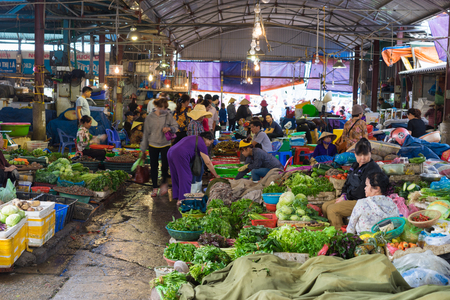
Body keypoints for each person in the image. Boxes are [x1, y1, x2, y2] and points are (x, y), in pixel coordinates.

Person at [322, 138, 382, 228]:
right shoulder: (355, 165)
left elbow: (362, 190)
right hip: (350, 197)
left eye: (365, 154)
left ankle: (340, 237)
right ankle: (337, 228)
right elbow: (347, 182)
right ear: (355, 154)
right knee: (325, 206)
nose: (362, 158)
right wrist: (343, 194)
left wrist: (346, 197)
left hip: (363, 201)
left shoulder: (372, 168)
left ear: (370, 153)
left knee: (332, 209)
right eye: (359, 155)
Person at [140, 98, 179, 197]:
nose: (165, 109)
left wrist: (169, 128)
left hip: (165, 144)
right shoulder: (149, 117)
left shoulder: (168, 115)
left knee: (165, 165)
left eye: (166, 108)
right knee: (153, 166)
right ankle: (154, 187)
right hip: (152, 144)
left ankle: (164, 183)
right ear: (157, 107)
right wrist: (143, 149)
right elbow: (145, 134)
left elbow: (176, 126)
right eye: (163, 107)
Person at [168, 132, 220, 204]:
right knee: (186, 177)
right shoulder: (201, 142)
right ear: (207, 138)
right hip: (180, 154)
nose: (209, 144)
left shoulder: (194, 137)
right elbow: (207, 162)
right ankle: (183, 199)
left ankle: (177, 197)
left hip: (171, 152)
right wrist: (216, 175)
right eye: (210, 142)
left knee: (176, 176)